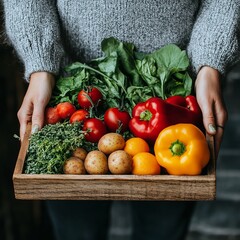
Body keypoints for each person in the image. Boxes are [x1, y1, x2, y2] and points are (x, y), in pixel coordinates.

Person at [3, 1, 239, 240]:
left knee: (162, 231)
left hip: (174, 101)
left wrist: (210, 61)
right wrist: (40, 62)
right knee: (76, 231)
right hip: (71, 92)